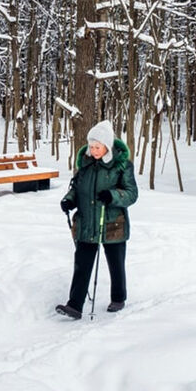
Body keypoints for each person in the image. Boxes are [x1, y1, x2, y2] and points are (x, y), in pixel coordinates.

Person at [57, 119, 138, 319]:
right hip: (87, 221)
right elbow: (77, 189)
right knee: (82, 263)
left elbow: (131, 194)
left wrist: (113, 196)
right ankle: (74, 305)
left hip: (112, 222)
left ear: (107, 146)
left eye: (97, 147)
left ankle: (118, 298)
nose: (93, 150)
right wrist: (68, 201)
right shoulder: (85, 164)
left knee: (116, 263)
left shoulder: (121, 166)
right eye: (91, 146)